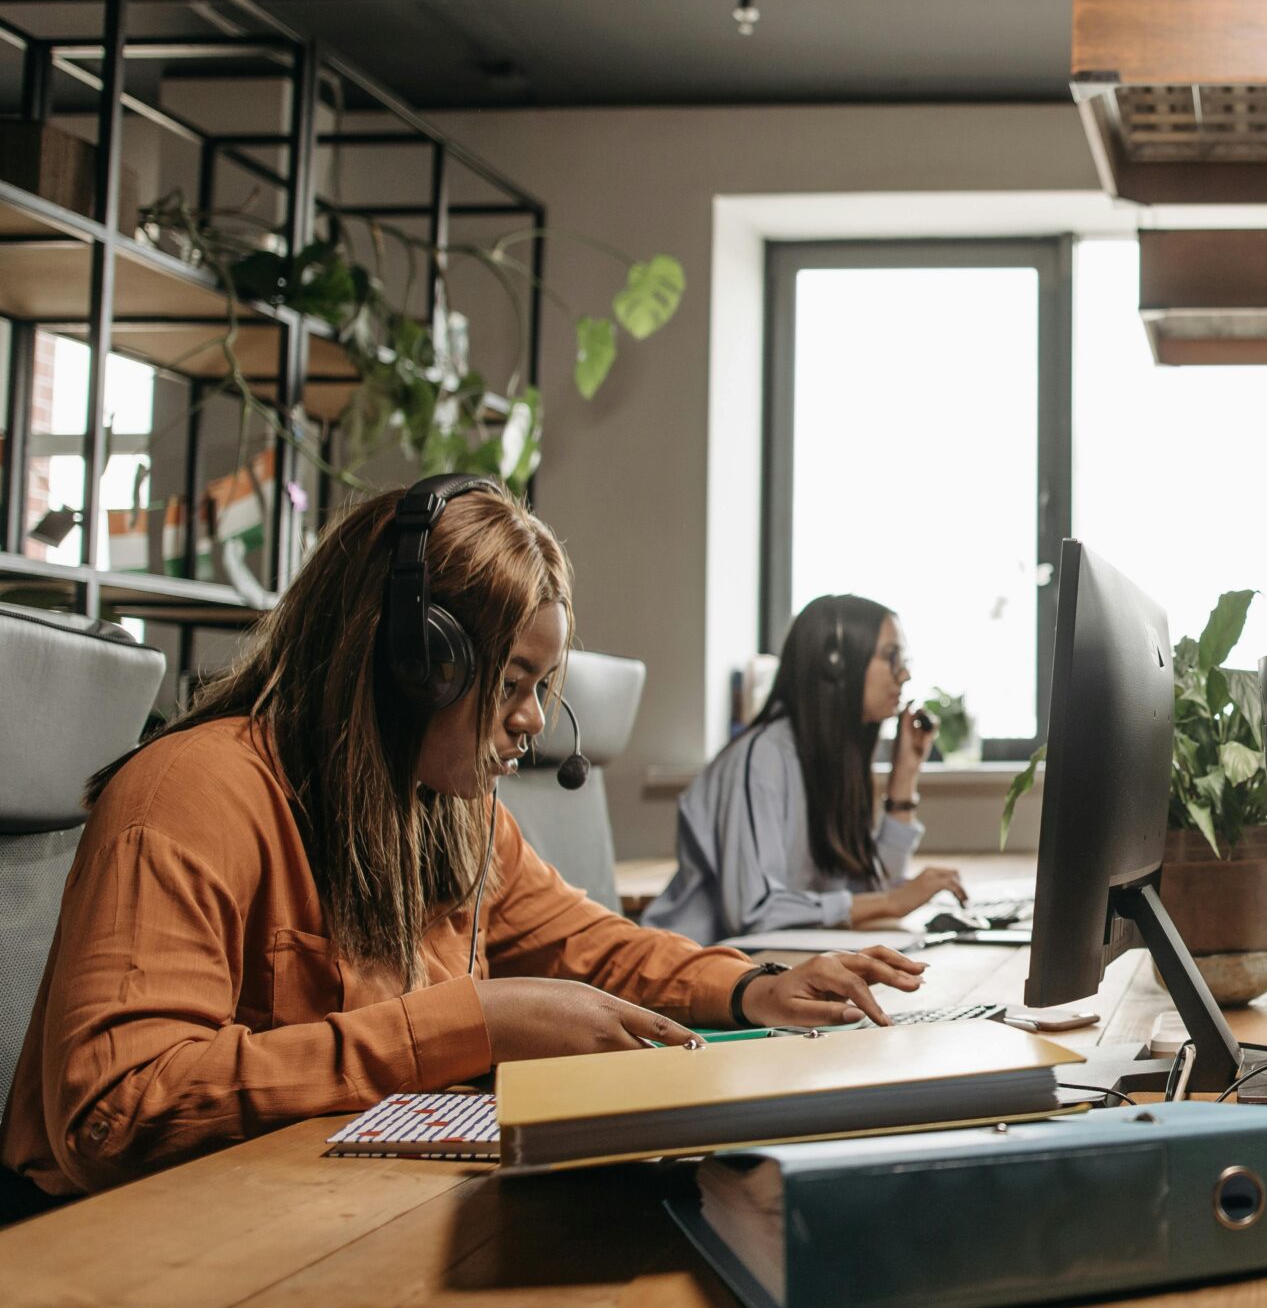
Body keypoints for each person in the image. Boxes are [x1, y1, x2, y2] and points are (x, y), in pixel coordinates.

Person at [5, 477, 935, 1203]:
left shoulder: (450, 809)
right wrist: (473, 1023)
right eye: (513, 679)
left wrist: (751, 985)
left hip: (307, 1213)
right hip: (118, 1278)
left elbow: (591, 943)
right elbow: (113, 1111)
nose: (532, 719)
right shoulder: (193, 792)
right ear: (415, 663)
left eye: (543, 685)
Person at [645, 594, 970, 944]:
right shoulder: (761, 758)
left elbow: (872, 890)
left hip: (765, 963)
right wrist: (892, 902)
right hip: (685, 974)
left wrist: (904, 777)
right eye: (892, 657)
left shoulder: (831, 759)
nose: (904, 674)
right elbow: (755, 913)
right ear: (836, 663)